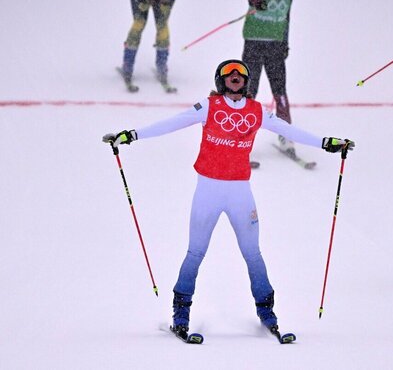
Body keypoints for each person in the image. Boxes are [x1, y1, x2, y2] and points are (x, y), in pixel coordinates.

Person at [103, 59, 354, 339]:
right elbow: (173, 123)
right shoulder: (209, 106)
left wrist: (326, 143)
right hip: (208, 191)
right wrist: (132, 135)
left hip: (240, 193)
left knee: (253, 254)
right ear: (221, 80)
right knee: (195, 252)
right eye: (229, 74)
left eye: (241, 75)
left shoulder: (256, 110)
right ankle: (181, 315)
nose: (235, 77)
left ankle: (268, 315)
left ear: (246, 82)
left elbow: (288, 130)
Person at [242, 0, 295, 155]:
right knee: (249, 90)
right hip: (254, 45)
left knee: (280, 90)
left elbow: (286, 21)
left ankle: (285, 134)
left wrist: (285, 43)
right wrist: (256, 0)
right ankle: (241, 135)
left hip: (275, 47)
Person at [120, 0, 180, 87]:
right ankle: (128, 65)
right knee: (139, 24)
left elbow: (167, 5)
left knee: (162, 27)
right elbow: (141, 4)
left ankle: (161, 66)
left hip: (161, 1)